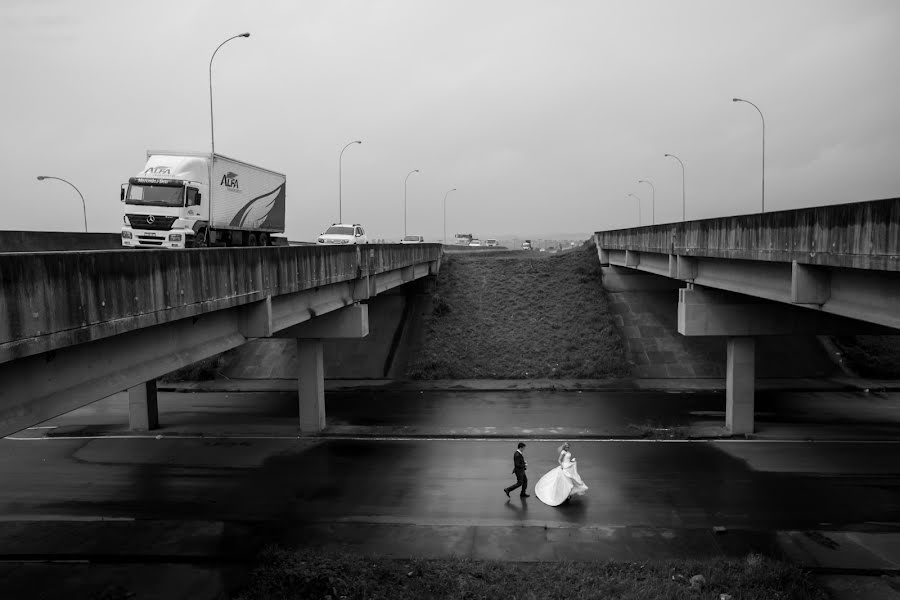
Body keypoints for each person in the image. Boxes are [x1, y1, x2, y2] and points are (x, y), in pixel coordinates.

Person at [534, 442, 589, 506]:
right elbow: (559, 460)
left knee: (570, 481)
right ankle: (563, 495)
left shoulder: (568, 452)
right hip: (564, 467)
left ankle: (567, 494)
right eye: (566, 447)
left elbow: (567, 459)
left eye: (568, 447)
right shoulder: (563, 452)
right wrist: (562, 466)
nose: (567, 448)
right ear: (564, 447)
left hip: (568, 467)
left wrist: (572, 461)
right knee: (566, 482)